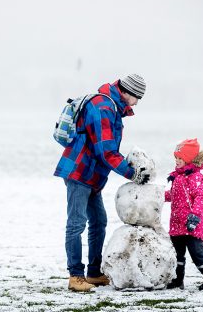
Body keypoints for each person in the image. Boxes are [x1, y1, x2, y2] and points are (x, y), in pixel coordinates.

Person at [54, 74, 151, 292]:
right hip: (79, 172)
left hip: (92, 174)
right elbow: (106, 151)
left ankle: (94, 273)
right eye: (137, 98)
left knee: (99, 221)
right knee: (76, 223)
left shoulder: (112, 107)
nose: (136, 103)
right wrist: (132, 173)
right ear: (127, 92)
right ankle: (76, 276)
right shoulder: (103, 108)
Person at [165, 138, 203, 290]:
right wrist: (159, 196)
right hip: (177, 222)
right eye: (175, 158)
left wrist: (195, 216)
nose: (176, 161)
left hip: (191, 223)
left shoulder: (196, 177)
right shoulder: (178, 177)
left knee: (197, 252)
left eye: (180, 158)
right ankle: (177, 280)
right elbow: (173, 195)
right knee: (177, 255)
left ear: (189, 159)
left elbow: (200, 198)